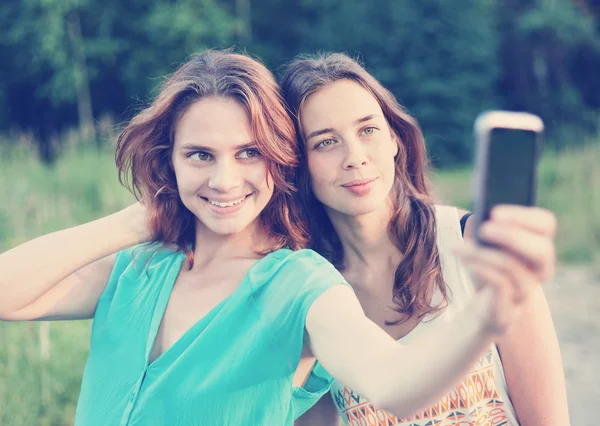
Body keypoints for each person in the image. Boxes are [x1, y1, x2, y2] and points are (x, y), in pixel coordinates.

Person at [0, 49, 553, 426]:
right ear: (167, 160)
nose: (223, 179)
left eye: (248, 153)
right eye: (199, 155)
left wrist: (487, 313)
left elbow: (395, 382)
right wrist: (136, 220)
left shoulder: (297, 282)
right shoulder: (139, 267)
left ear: (278, 163)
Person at [281, 53, 569, 426]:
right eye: (325, 142)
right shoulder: (309, 293)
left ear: (395, 139)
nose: (355, 157)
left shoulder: (475, 246)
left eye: (367, 130)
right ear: (297, 163)